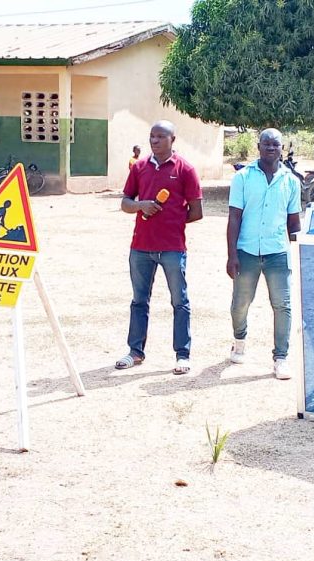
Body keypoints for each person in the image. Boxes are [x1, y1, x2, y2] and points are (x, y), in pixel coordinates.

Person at [116, 120, 203, 375]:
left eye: (160, 137)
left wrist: (172, 220)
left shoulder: (185, 169)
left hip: (172, 248)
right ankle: (135, 351)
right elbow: (125, 202)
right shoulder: (140, 167)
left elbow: (196, 211)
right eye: (152, 136)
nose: (154, 141)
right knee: (139, 301)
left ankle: (182, 355)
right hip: (140, 247)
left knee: (180, 301)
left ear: (172, 140)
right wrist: (141, 205)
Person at [226, 128, 301, 380]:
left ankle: (281, 358)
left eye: (276, 144)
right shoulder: (244, 177)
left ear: (282, 148)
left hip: (277, 253)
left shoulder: (291, 181)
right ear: (258, 146)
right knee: (240, 304)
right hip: (246, 252)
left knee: (283, 305)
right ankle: (239, 341)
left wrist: (301, 250)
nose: (271, 148)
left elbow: (294, 223)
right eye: (266, 143)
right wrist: (231, 254)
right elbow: (234, 217)